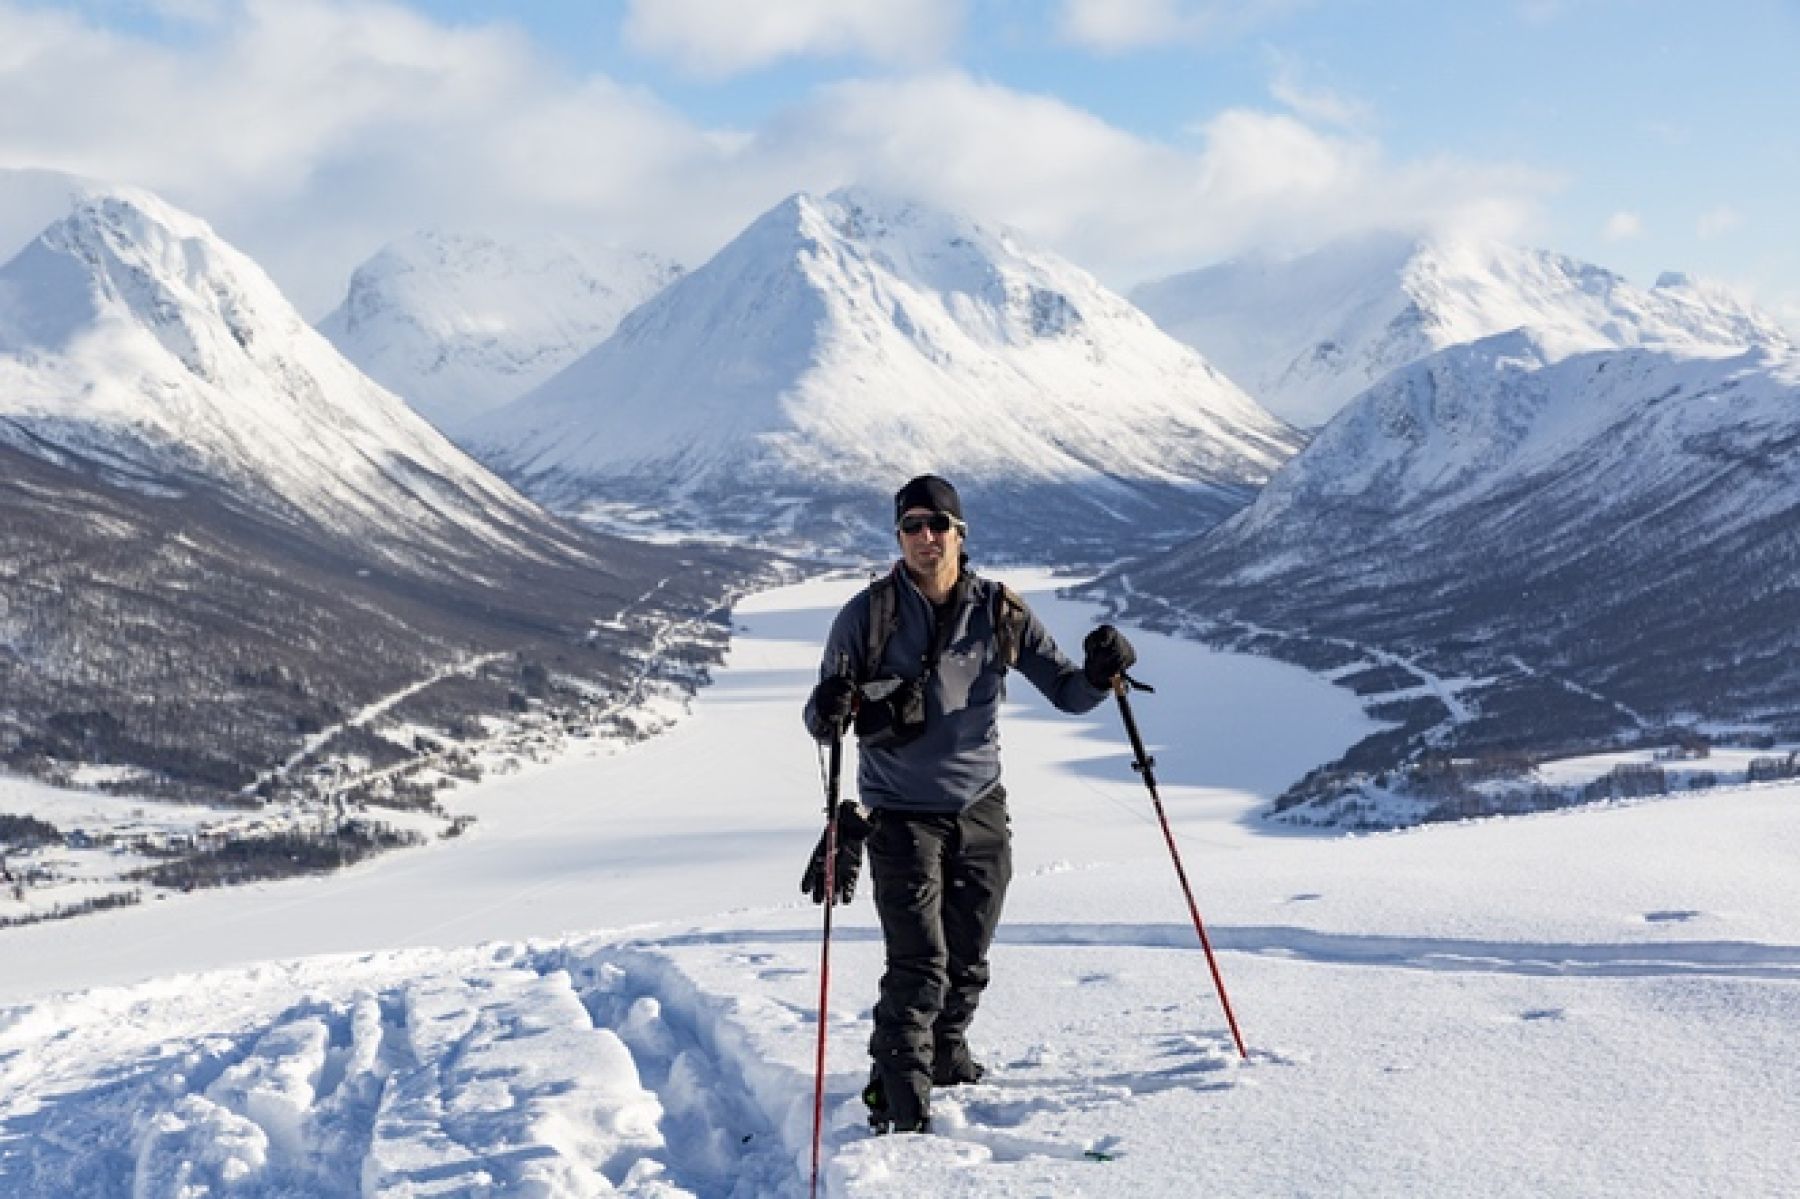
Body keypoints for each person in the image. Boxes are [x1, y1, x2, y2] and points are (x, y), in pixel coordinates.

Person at [801, 473, 1137, 1134]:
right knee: (919, 965)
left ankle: (947, 1055)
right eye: (911, 526)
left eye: (937, 525)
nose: (925, 538)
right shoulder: (866, 615)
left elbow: (1066, 691)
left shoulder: (999, 609)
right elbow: (823, 719)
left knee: (968, 958)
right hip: (897, 812)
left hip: (981, 805)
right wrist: (829, 706)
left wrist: (1100, 674)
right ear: (899, 536)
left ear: (960, 532)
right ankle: (897, 1098)